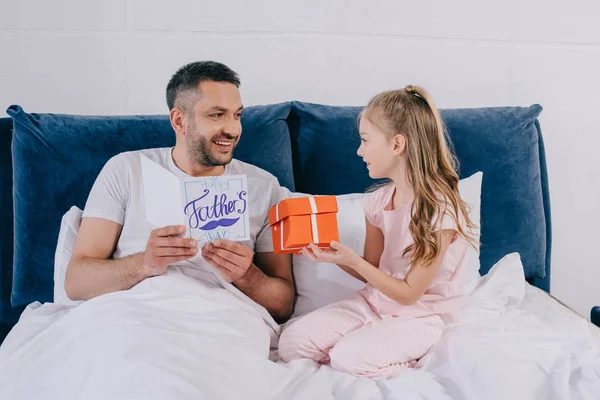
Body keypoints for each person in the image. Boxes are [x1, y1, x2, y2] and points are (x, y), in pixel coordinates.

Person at [65, 61, 294, 321]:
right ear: (179, 120)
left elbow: (284, 304)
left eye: (237, 115)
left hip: (222, 317)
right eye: (217, 115)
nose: (232, 129)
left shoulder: (264, 187)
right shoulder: (126, 170)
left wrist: (247, 275)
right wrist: (146, 263)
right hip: (134, 313)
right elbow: (76, 282)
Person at [278, 85, 477, 378]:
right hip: (374, 302)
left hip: (420, 315)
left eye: (365, 140)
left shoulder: (440, 210)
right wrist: (339, 257)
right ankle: (363, 345)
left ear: (397, 145)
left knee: (349, 359)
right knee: (292, 344)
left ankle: (408, 362)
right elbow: (372, 269)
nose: (360, 151)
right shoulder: (378, 202)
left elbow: (409, 294)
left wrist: (353, 261)